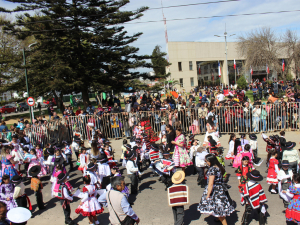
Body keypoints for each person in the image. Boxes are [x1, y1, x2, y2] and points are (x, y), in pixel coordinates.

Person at [197, 154, 234, 225]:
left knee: (218, 209)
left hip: (215, 190)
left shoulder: (212, 169)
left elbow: (210, 183)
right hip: (220, 189)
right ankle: (218, 218)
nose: (206, 163)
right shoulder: (219, 166)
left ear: (211, 161)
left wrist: (208, 194)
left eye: (207, 161)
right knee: (218, 207)